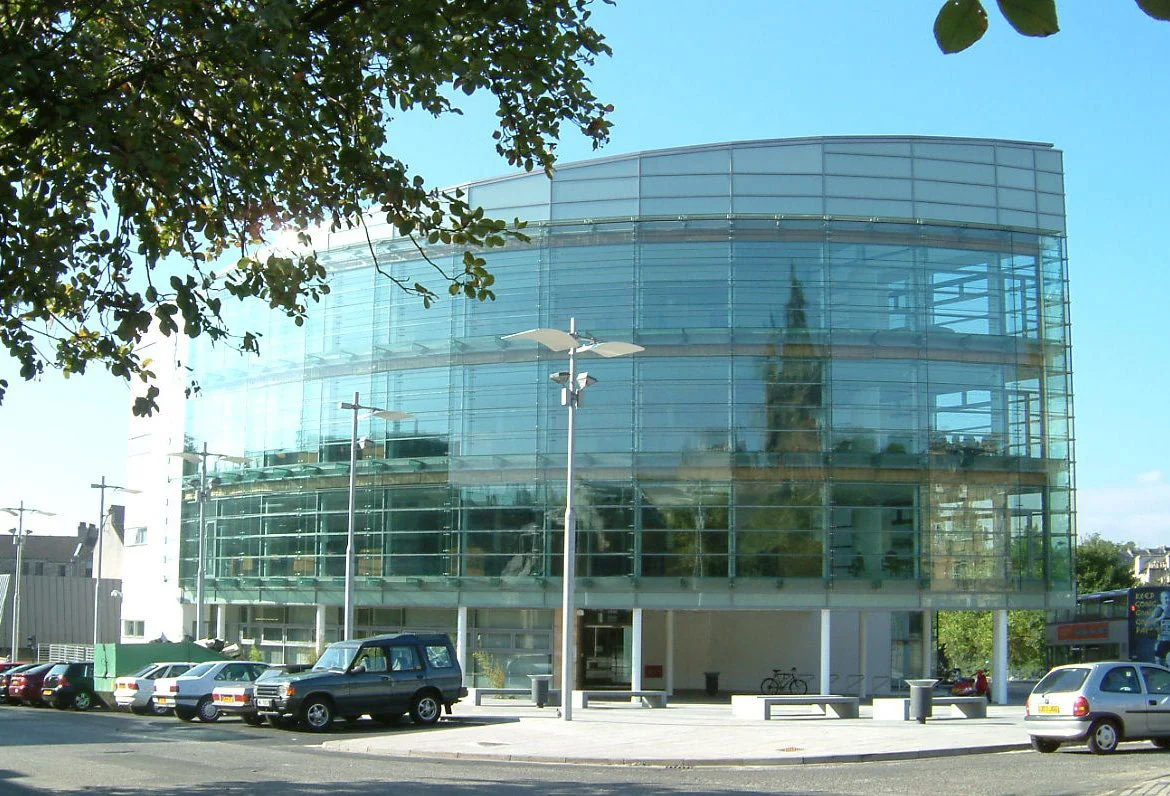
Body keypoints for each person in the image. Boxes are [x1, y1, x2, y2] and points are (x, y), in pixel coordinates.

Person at [1145, 590, 1170, 665]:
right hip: (1162, 641)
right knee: (1159, 663)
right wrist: (1161, 618)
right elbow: (1148, 624)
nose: (1168, 600)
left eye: (1169, 598)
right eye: (1165, 598)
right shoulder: (1159, 610)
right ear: (1161, 600)